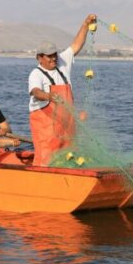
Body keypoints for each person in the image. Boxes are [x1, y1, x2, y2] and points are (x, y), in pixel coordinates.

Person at [28, 13, 97, 166]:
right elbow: (35, 92)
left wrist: (85, 24)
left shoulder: (62, 62)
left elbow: (76, 45)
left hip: (67, 127)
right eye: (48, 56)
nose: (53, 59)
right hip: (46, 130)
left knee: (68, 159)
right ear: (39, 57)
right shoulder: (36, 74)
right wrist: (48, 96)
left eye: (54, 55)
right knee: (46, 161)